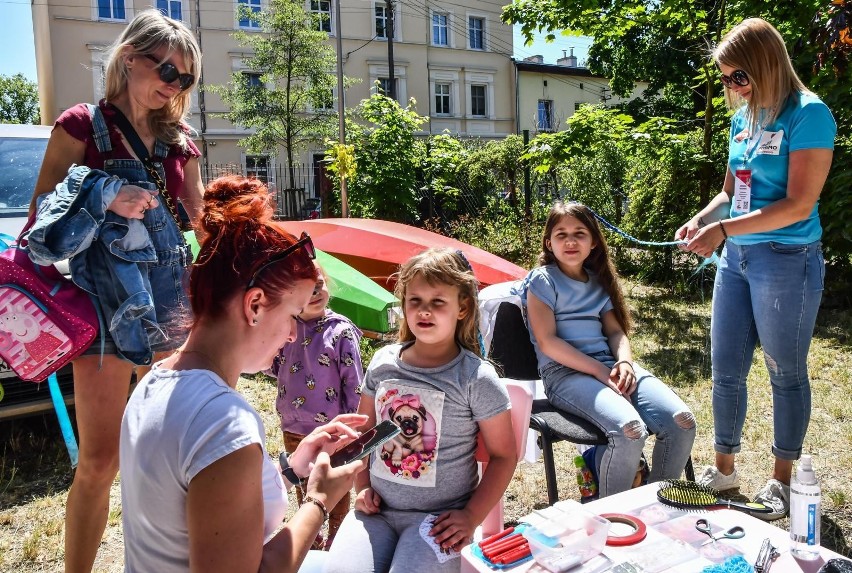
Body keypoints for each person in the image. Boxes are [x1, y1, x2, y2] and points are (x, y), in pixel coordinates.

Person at [26, 10, 205, 571]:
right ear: (131, 58)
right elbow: (41, 224)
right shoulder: (81, 125)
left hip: (171, 312)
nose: (174, 87)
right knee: (100, 462)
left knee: (169, 456)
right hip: (104, 307)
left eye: (185, 79)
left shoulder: (183, 143)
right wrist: (105, 194)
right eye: (167, 71)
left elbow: (199, 221)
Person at [119, 174, 368, 572]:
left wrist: (291, 468)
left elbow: (202, 497)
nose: (291, 335)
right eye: (291, 315)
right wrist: (319, 500)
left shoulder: (152, 383)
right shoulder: (223, 421)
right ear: (254, 305)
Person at [675, 17, 836, 520]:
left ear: (766, 64)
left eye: (738, 77)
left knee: (785, 372)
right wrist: (702, 219)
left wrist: (723, 231)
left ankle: (781, 483)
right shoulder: (743, 117)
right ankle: (724, 473)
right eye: (724, 79)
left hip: (788, 259)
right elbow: (731, 191)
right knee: (725, 370)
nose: (731, 88)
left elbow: (798, 203)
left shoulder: (809, 115)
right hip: (738, 258)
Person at [327, 248, 517, 573]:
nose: (424, 311)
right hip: (376, 513)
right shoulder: (383, 363)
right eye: (415, 300)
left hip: (440, 522)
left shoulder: (476, 378)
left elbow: (504, 455)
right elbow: (364, 435)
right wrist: (363, 488)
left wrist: (471, 517)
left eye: (438, 302)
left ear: (463, 308)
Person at [525, 201, 696, 497]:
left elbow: (616, 332)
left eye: (580, 233)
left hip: (609, 368)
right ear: (548, 243)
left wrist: (625, 363)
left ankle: (654, 503)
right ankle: (611, 518)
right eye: (561, 233)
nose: (570, 240)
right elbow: (547, 342)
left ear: (593, 242)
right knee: (630, 429)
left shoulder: (598, 282)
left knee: (682, 422)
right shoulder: (542, 280)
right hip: (565, 375)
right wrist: (602, 372)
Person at [266, 262, 363, 549]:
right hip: (292, 424)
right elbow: (272, 365)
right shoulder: (286, 327)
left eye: (319, 283)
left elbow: (353, 382)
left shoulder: (341, 331)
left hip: (331, 430)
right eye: (307, 288)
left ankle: (338, 539)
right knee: (300, 482)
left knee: (334, 488)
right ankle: (311, 538)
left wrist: (351, 426)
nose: (316, 291)